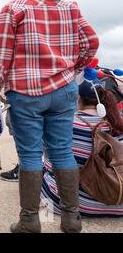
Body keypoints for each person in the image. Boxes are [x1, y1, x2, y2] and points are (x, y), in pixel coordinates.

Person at [0, 0, 100, 233]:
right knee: (62, 151)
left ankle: (29, 220)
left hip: (27, 92)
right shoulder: (70, 8)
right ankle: (72, 219)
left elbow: (1, 54)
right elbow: (92, 41)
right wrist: (74, 67)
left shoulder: (13, 9)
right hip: (63, 91)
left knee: (30, 155)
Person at [42, 79, 123, 216]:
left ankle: (42, 219)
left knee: (37, 170)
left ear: (77, 97)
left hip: (77, 204)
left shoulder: (64, 123)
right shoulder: (117, 123)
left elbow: (51, 163)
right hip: (117, 200)